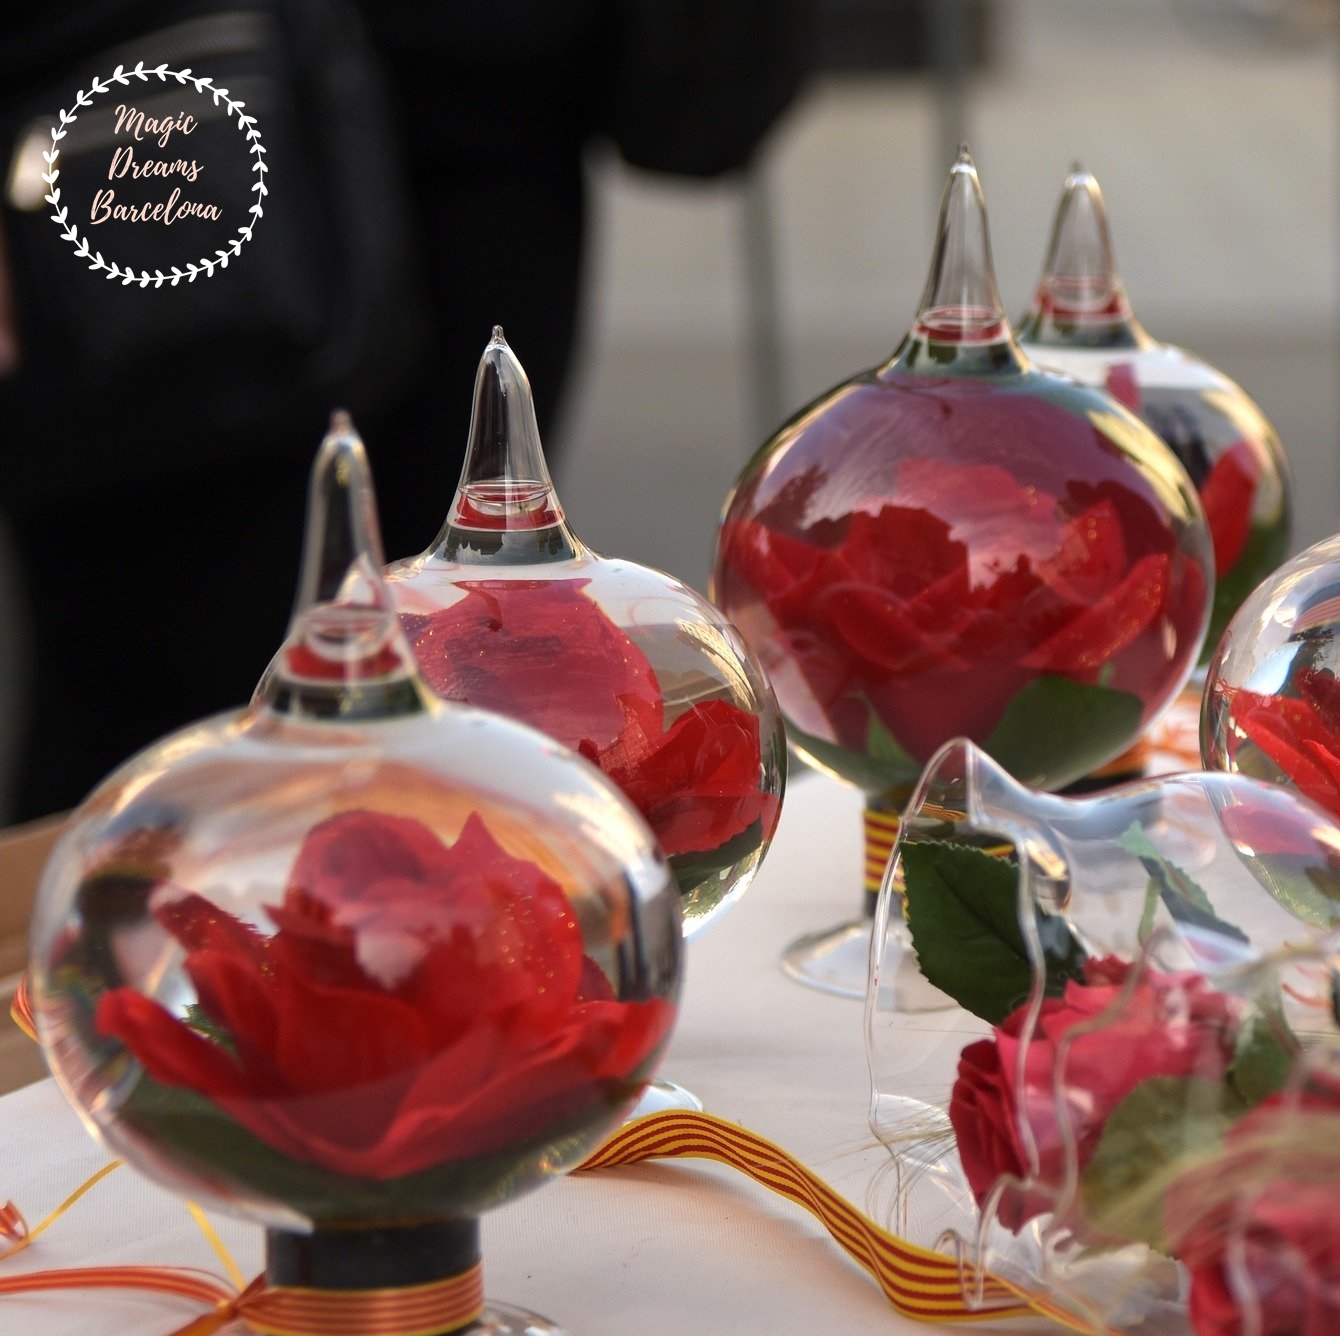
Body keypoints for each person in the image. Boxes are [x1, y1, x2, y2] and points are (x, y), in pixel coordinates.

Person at [0, 0, 803, 822]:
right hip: (181, 108)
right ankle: (111, 941)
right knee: (158, 699)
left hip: (487, 127)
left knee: (458, 660)